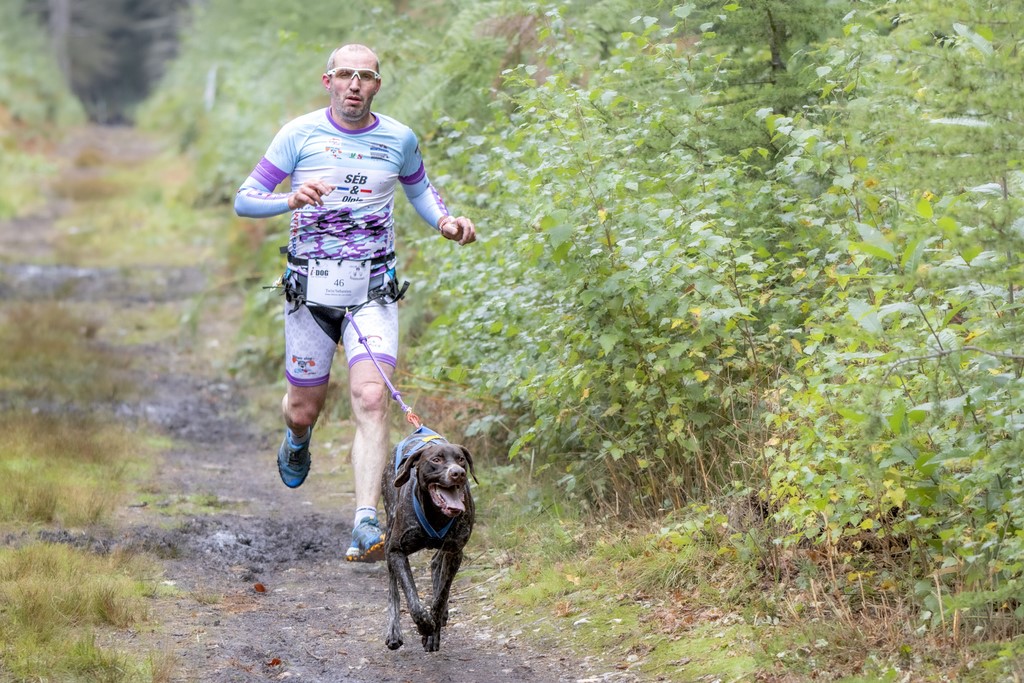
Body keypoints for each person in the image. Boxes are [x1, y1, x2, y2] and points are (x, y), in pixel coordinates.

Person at [233, 44, 476, 562]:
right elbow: (244, 198)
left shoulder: (399, 138)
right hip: (310, 291)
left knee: (370, 399)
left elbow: (422, 192)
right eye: (345, 75)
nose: (354, 85)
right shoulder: (298, 134)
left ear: (376, 86)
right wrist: (288, 199)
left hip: (373, 289)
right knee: (304, 408)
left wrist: (447, 223)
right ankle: (297, 439)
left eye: (365, 77)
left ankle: (366, 520)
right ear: (328, 81)